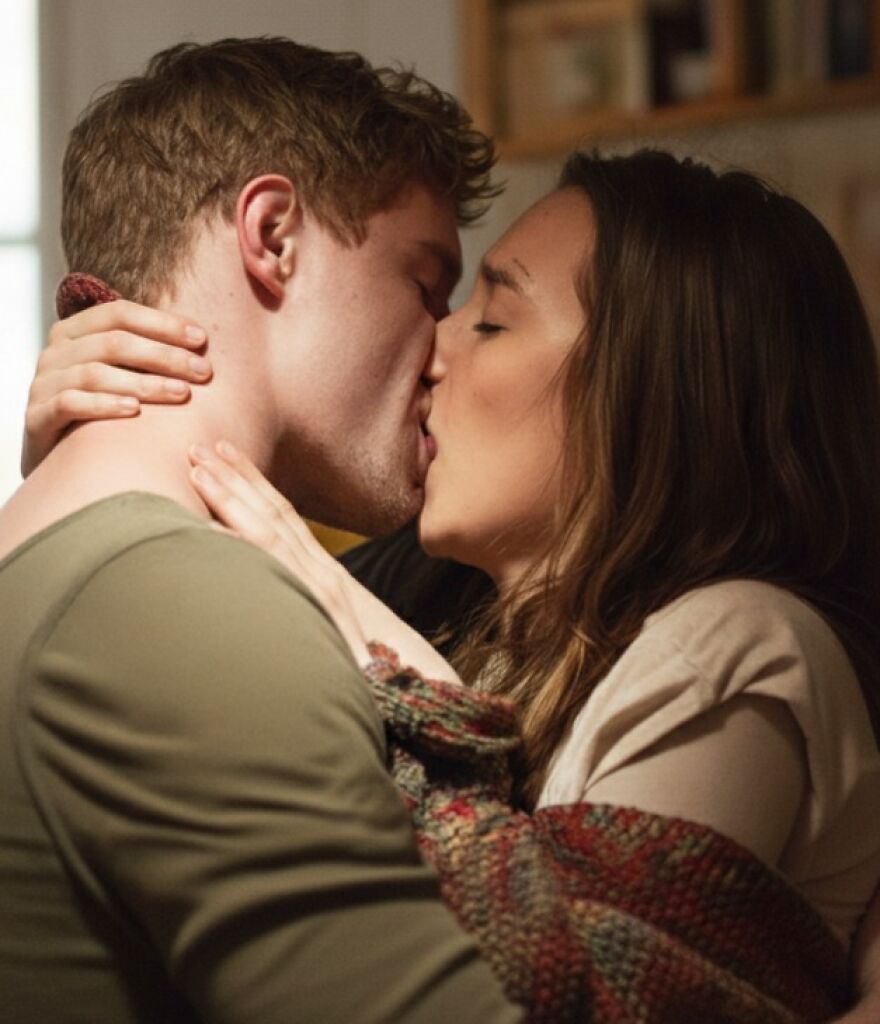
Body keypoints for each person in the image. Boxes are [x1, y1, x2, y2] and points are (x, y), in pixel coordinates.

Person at [27, 149, 880, 1020]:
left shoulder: (738, 645)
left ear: (660, 390)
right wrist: (83, 459)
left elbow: (562, 994)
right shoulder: (458, 605)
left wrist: (372, 642)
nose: (429, 347)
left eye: (491, 319)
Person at [0, 36, 525, 1024]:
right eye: (424, 285)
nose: (445, 344)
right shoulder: (174, 607)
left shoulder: (71, 554)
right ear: (273, 234)